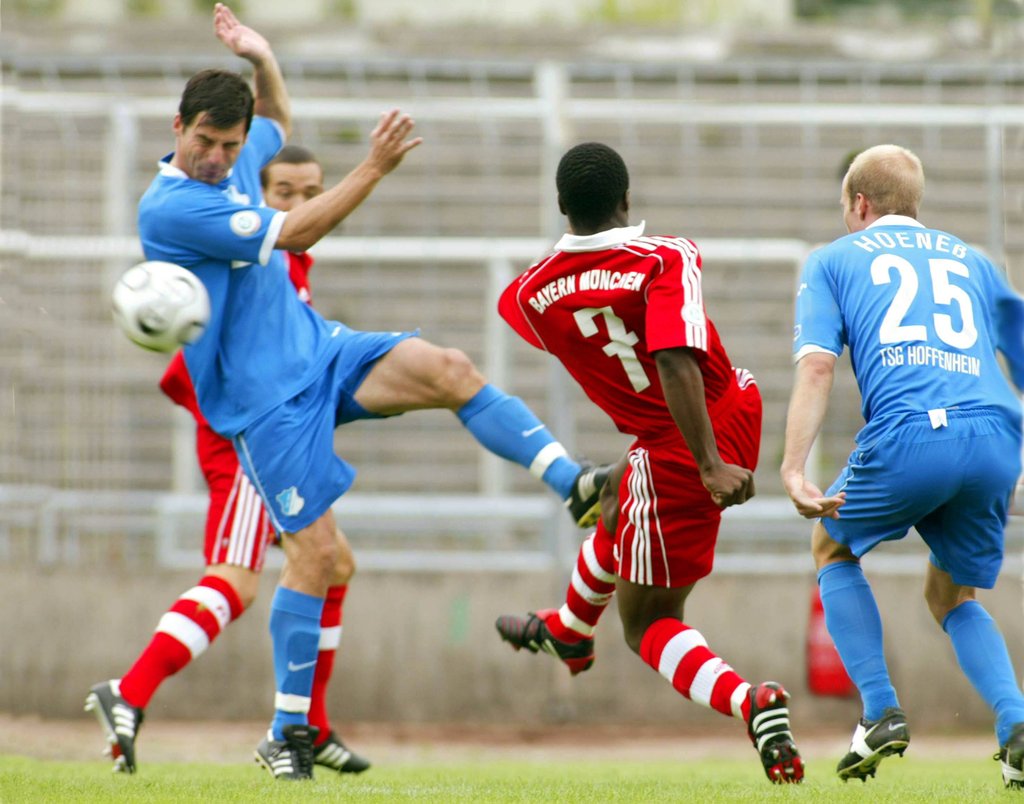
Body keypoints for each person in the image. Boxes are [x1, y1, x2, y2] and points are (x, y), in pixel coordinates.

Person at [85, 4, 606, 782]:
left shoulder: (238, 157)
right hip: (264, 405)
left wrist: (261, 56)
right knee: (317, 556)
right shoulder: (174, 207)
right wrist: (374, 168)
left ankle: (574, 485)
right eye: (205, 142)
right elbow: (296, 232)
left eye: (230, 146)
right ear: (177, 127)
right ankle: (285, 731)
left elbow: (276, 120)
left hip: (319, 351)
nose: (219, 158)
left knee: (449, 368)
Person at [493, 141, 803, 785]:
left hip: (680, 446)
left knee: (649, 624)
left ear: (560, 205)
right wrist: (710, 459)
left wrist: (706, 463)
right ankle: (570, 629)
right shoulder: (666, 256)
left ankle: (751, 704)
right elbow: (671, 350)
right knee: (617, 496)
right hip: (723, 410)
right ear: (626, 198)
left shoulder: (526, 295)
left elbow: (654, 356)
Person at [86, 145, 372, 776]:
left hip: (271, 438)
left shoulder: (290, 261)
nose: (299, 203)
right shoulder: (246, 257)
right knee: (236, 582)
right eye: (284, 192)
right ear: (257, 195)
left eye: (310, 192)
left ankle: (314, 725)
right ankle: (129, 692)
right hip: (246, 441)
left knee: (334, 563)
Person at [780, 144, 1024, 787]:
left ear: (859, 203)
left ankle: (879, 711)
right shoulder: (974, 260)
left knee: (831, 545)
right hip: (995, 437)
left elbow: (818, 367)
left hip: (912, 433)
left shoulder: (832, 258)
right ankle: (1017, 726)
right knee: (951, 594)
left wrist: (793, 468)